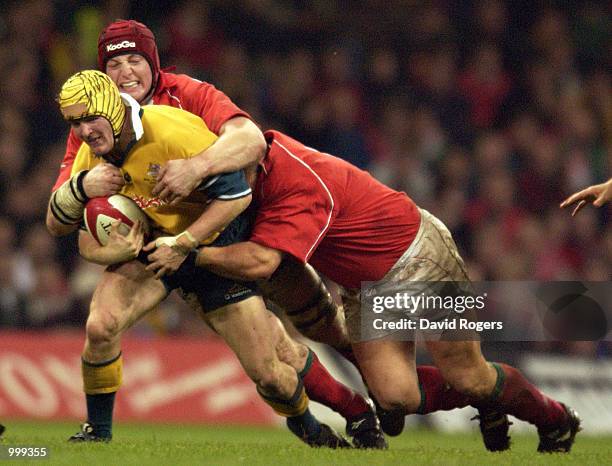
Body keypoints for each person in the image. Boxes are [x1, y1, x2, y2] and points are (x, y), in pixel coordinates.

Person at [161, 129, 582, 454]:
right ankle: (489, 400)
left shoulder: (295, 185)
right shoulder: (251, 170)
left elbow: (264, 262)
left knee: (469, 376)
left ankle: (556, 420)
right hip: (368, 287)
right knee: (394, 399)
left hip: (419, 254)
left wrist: (186, 250)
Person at [47, 69, 363, 448]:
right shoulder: (92, 158)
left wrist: (185, 244)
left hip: (211, 249)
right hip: (153, 249)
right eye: (75, 122)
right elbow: (74, 235)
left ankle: (317, 422)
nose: (83, 130)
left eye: (89, 118)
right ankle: (97, 434)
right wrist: (108, 237)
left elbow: (237, 197)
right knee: (100, 326)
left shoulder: (173, 133)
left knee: (271, 374)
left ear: (112, 109)